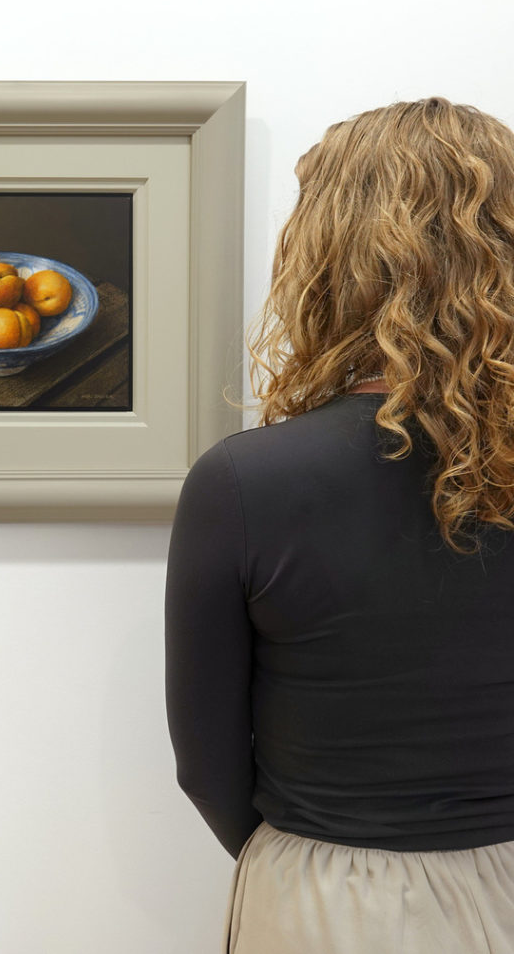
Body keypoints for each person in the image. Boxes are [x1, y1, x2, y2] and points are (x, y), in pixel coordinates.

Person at [164, 97, 514, 953]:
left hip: (330, 896)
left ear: (326, 255)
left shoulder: (245, 479)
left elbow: (208, 764)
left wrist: (303, 860)